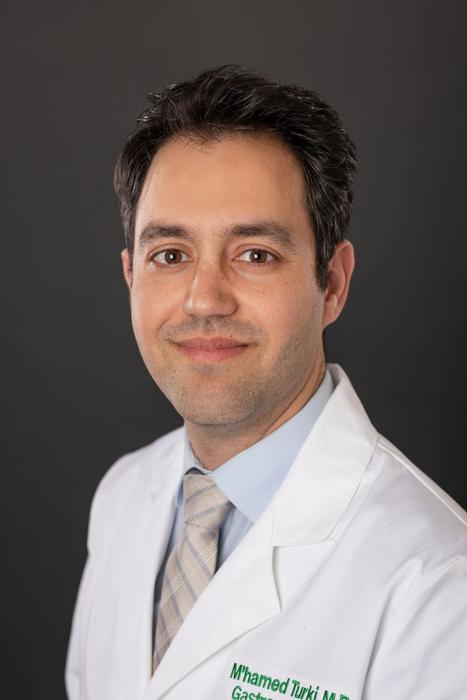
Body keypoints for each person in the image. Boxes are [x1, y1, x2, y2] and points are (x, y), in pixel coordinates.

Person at [65, 65, 467, 700]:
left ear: (332, 284)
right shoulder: (122, 496)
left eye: (255, 254)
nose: (205, 299)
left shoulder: (439, 583)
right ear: (130, 278)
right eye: (170, 255)